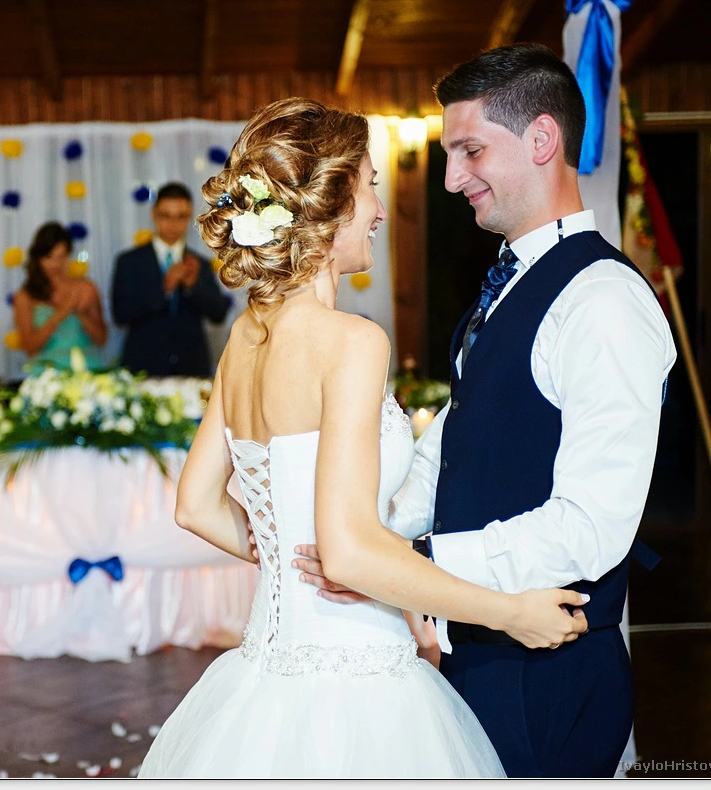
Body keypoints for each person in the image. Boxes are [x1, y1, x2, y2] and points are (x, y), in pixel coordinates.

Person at [139, 97, 588, 779]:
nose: (378, 209)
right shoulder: (351, 342)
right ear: (329, 205)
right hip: (355, 684)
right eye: (370, 186)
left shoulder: (244, 338)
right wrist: (509, 612)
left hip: (263, 673)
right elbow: (348, 551)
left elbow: (196, 505)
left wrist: (291, 555)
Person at [292, 44, 677, 778]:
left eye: (469, 150)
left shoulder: (603, 301)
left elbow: (590, 527)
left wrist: (416, 562)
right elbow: (462, 436)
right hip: (479, 649)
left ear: (541, 139)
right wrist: (371, 537)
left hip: (546, 671)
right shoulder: (512, 279)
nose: (450, 178)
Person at [110, 182, 231, 378]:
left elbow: (218, 314)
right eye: (165, 215)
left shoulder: (198, 263)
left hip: (191, 368)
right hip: (143, 367)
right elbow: (120, 315)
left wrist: (193, 285)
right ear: (153, 214)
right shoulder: (129, 261)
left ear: (190, 217)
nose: (173, 224)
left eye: (181, 216)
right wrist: (164, 288)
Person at [11, 221, 107, 372]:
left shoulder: (86, 287)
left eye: (61, 257)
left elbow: (101, 339)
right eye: (49, 257)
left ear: (68, 255)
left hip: (86, 370)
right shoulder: (25, 296)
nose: (55, 264)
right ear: (38, 257)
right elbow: (30, 348)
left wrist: (80, 313)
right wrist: (61, 313)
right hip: (46, 374)